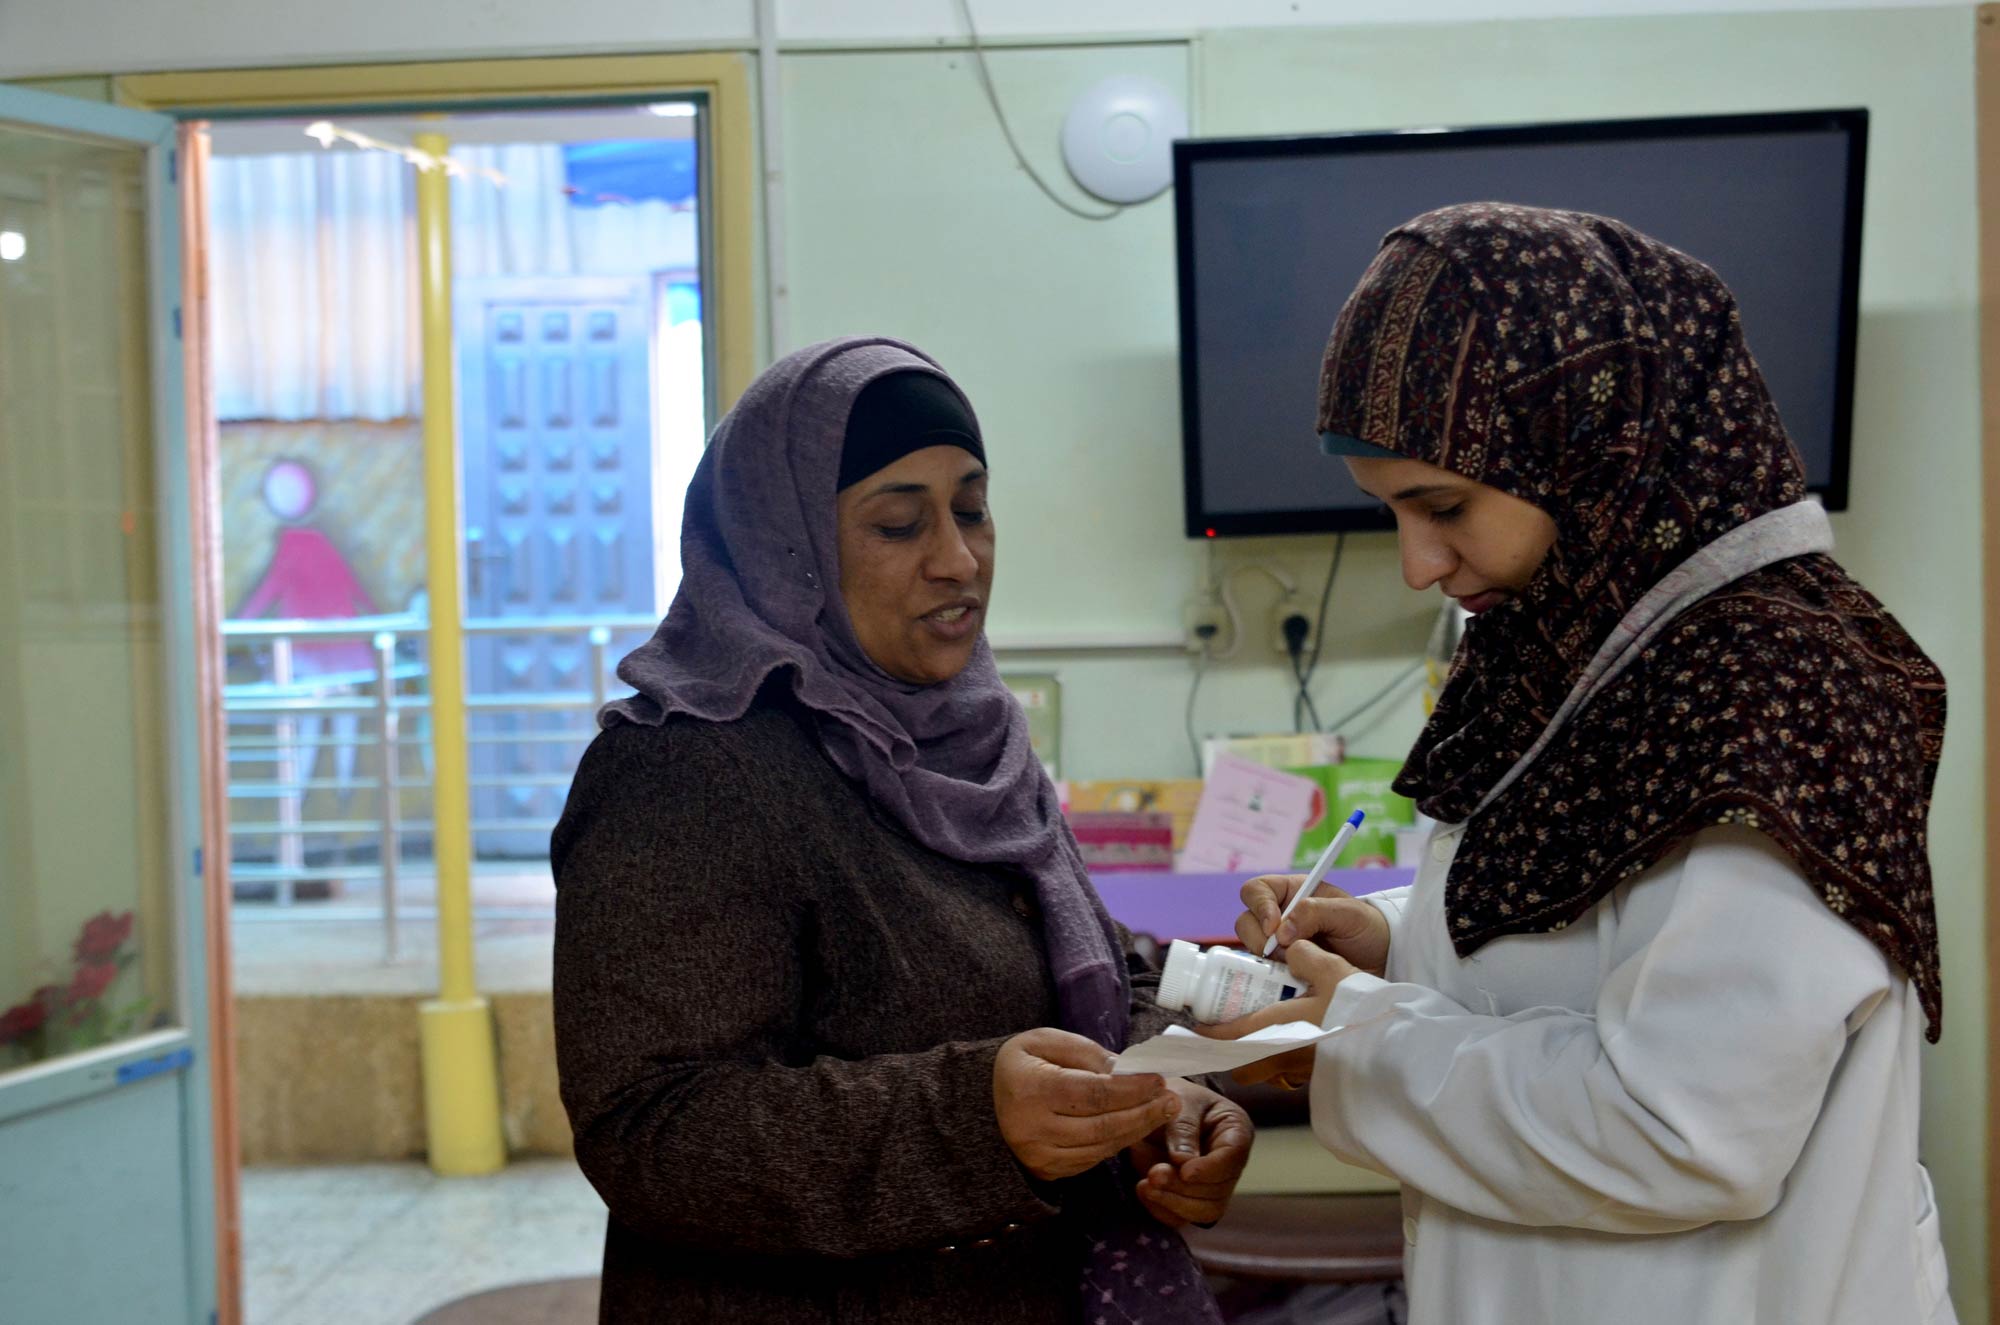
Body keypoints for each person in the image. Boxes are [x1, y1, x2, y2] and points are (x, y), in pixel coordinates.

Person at [1210, 203, 1955, 1325]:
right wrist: (1393, 934)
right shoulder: (1592, 641)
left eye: (1443, 506)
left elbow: (1681, 1128)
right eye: (1389, 514)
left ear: (1589, 444)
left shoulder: (1768, 690)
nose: (1418, 563)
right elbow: (1599, 903)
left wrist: (1351, 1043)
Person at [551, 336, 1247, 1323]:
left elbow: (1083, 958)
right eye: (895, 522)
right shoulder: (684, 768)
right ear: (788, 548)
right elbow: (651, 1129)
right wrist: (972, 1117)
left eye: (970, 508)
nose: (957, 558)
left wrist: (1168, 1089)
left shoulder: (974, 738)